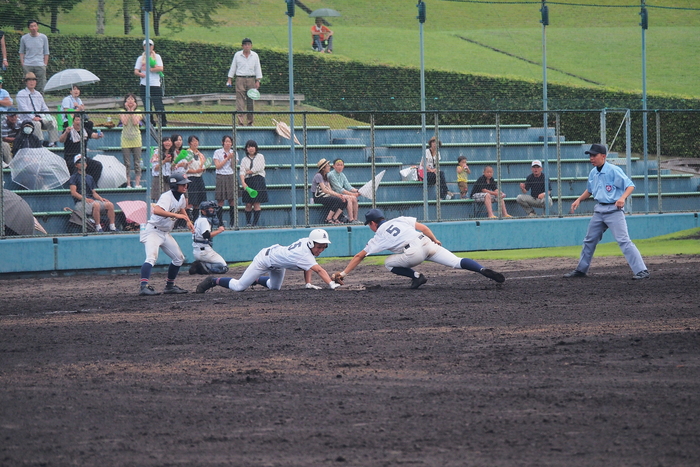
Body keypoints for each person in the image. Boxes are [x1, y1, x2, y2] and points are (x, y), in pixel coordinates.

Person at [334, 208, 505, 289]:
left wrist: (343, 274)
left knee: (388, 263)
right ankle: (482, 270)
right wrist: (435, 239)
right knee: (457, 261)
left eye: (369, 224)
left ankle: (416, 276)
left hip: (413, 252)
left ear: (372, 223)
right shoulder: (399, 219)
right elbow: (423, 227)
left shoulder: (378, 235)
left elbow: (359, 256)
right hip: (425, 242)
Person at [564, 143, 650, 280]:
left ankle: (642, 270)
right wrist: (579, 199)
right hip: (599, 210)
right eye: (590, 155)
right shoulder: (593, 172)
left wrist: (622, 198)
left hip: (614, 210)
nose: (591, 158)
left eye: (594, 155)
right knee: (589, 240)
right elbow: (590, 190)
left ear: (603, 156)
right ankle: (581, 270)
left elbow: (630, 186)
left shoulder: (613, 170)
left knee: (623, 240)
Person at [195, 228, 340, 294]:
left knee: (274, 288)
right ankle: (214, 280)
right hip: (264, 259)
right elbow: (319, 269)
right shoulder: (304, 253)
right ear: (312, 243)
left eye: (323, 247)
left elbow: (309, 265)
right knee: (239, 287)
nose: (321, 249)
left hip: (277, 262)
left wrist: (308, 284)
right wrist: (331, 284)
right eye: (319, 246)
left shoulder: (306, 243)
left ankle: (256, 280)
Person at [138, 173, 193, 296]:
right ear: (174, 185)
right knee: (151, 257)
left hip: (165, 233)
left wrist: (188, 221)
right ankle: (143, 287)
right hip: (153, 231)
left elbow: (182, 208)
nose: (185, 186)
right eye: (182, 184)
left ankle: (170, 286)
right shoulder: (166, 196)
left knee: (179, 258)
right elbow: (157, 210)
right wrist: (177, 215)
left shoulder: (181, 197)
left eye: (186, 184)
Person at [69, 155, 117, 232]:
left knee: (109, 204)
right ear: (76, 165)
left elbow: (93, 192)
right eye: (80, 162)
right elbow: (73, 193)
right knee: (96, 205)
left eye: (84, 162)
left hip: (91, 201)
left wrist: (101, 199)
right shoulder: (74, 177)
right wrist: (85, 199)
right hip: (80, 203)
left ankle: (112, 227)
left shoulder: (90, 177)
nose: (83, 163)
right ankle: (98, 227)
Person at [16, 71, 59, 145]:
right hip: (27, 120)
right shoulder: (21, 94)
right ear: (26, 82)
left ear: (36, 82)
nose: (31, 82)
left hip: (40, 117)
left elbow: (44, 108)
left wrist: (48, 116)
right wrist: (33, 117)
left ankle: (52, 143)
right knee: (36, 123)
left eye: (33, 80)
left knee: (53, 120)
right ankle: (39, 143)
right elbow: (24, 109)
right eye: (29, 80)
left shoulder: (38, 94)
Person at [226, 38, 262, 126]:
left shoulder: (255, 55)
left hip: (251, 79)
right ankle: (240, 122)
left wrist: (258, 80)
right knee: (240, 101)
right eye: (245, 45)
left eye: (248, 44)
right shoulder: (237, 55)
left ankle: (250, 122)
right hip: (240, 79)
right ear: (242, 46)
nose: (247, 46)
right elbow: (233, 67)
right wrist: (229, 78)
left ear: (251, 46)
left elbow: (258, 68)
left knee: (251, 101)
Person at [189, 201, 229, 275]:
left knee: (214, 263)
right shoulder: (204, 220)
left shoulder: (199, 219)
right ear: (203, 211)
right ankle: (203, 266)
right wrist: (219, 231)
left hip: (197, 250)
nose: (212, 211)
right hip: (204, 251)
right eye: (209, 209)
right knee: (223, 267)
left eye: (212, 209)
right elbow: (206, 235)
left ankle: (200, 266)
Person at [134, 39, 166, 127]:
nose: (148, 47)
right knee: (147, 106)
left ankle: (163, 123)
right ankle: (151, 123)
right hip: (144, 85)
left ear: (153, 46)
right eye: (146, 46)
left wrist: (150, 69)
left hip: (155, 85)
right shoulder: (140, 58)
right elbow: (136, 71)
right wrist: (140, 74)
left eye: (150, 45)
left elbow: (160, 68)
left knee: (158, 105)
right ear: (143, 47)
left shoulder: (157, 57)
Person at [239, 139, 268, 227]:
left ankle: (255, 223)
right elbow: (241, 171)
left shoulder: (260, 156)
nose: (251, 148)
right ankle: (248, 222)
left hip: (258, 180)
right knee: (248, 204)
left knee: (256, 203)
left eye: (252, 146)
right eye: (248, 147)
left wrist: (248, 172)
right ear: (246, 149)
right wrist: (243, 182)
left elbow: (259, 167)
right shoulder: (244, 159)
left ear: (255, 148)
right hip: (248, 181)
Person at [311, 158, 347, 224]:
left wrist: (340, 196)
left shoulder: (325, 176)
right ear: (323, 168)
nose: (329, 167)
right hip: (318, 197)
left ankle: (335, 218)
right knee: (337, 200)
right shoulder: (318, 176)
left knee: (344, 200)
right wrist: (338, 195)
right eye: (327, 166)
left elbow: (329, 189)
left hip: (325, 196)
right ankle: (328, 219)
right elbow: (324, 190)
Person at [119, 93, 143, 188]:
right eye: (128, 99)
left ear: (135, 102)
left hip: (136, 139)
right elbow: (124, 122)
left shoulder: (139, 111)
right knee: (127, 163)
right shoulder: (121, 111)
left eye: (132, 99)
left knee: (137, 162)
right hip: (125, 139)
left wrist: (132, 110)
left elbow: (135, 122)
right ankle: (128, 183)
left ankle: (137, 184)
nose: (130, 101)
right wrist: (128, 111)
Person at [19, 20, 49, 92]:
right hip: (28, 64)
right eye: (31, 26)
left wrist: (45, 64)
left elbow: (46, 52)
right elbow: (21, 52)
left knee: (41, 84)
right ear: (29, 28)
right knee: (28, 84)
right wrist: (23, 63)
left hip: (40, 64)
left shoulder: (43, 37)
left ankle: (39, 100)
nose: (33, 28)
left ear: (37, 27)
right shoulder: (24, 38)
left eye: (35, 26)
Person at [327, 158, 361, 223]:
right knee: (349, 197)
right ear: (334, 166)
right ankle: (351, 219)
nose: (340, 167)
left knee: (354, 198)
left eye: (341, 165)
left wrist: (357, 190)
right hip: (334, 194)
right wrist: (353, 194)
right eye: (338, 165)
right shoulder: (331, 175)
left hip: (341, 194)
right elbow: (339, 189)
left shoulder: (342, 175)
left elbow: (348, 186)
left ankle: (355, 219)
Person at [213, 135, 236, 227]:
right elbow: (218, 166)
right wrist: (227, 158)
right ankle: (220, 222)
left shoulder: (234, 153)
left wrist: (232, 159)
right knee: (220, 200)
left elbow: (233, 166)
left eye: (229, 142)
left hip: (230, 175)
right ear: (223, 142)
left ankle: (233, 222)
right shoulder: (218, 152)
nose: (228, 143)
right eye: (226, 141)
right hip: (221, 175)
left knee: (232, 199)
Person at [185, 135, 207, 219]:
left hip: (199, 178)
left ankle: (196, 219)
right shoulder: (187, 153)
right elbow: (185, 168)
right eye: (193, 141)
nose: (195, 143)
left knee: (198, 201)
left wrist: (203, 168)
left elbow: (203, 166)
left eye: (196, 141)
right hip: (190, 178)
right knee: (191, 201)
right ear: (189, 143)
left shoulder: (200, 154)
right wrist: (195, 171)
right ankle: (189, 220)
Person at [150, 136, 172, 202]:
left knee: (168, 199)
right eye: (165, 141)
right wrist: (164, 161)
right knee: (159, 199)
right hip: (158, 177)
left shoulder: (173, 153)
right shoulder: (157, 152)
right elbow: (155, 168)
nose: (167, 143)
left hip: (168, 178)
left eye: (169, 141)